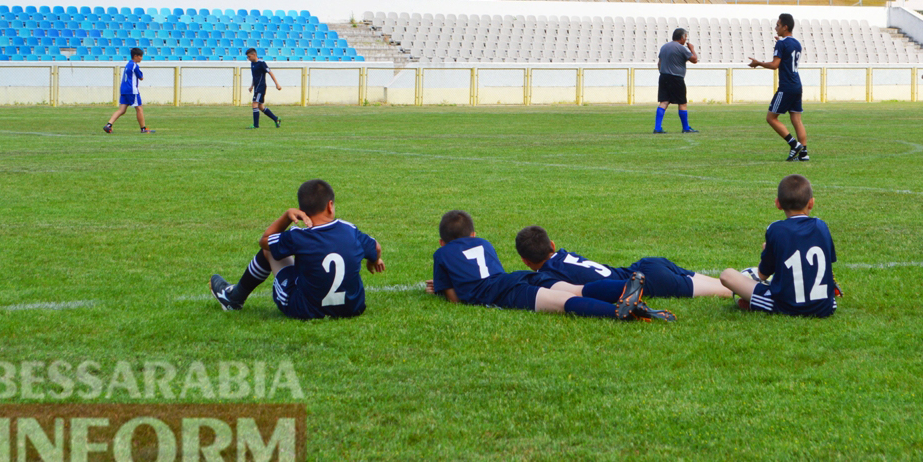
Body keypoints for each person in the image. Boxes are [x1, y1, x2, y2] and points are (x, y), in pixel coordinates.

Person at [426, 210, 674, 322]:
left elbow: (456, 300)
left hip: (503, 292)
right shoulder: (483, 242)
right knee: (573, 290)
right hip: (516, 277)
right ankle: (625, 287)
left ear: (441, 241)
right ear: (473, 234)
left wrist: (442, 286)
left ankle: (620, 313)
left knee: (559, 303)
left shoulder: (441, 254)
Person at [209, 179, 384, 319]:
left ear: (302, 211)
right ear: (330, 205)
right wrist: (374, 260)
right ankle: (234, 297)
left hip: (304, 310)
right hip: (353, 308)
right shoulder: (350, 230)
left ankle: (234, 298)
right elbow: (376, 247)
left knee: (271, 250)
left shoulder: (298, 236)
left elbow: (264, 241)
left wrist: (286, 216)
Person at [719, 174, 837, 318]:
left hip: (786, 305)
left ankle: (753, 302)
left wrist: (769, 253)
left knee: (727, 275)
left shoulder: (775, 229)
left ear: (778, 204)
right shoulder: (821, 225)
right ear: (811, 203)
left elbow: (763, 274)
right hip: (826, 306)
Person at [513, 225, 731, 299]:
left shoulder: (548, 276)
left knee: (726, 292)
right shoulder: (563, 254)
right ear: (552, 244)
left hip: (646, 280)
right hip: (647, 264)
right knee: (723, 283)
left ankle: (757, 293)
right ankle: (750, 280)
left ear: (525, 260)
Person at [749, 13, 806, 161]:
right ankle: (804, 154)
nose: (775, 28)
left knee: (771, 118)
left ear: (785, 27)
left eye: (778, 25)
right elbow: (788, 55)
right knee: (797, 120)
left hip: (786, 86)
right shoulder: (797, 43)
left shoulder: (781, 43)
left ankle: (794, 144)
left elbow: (775, 65)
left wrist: (758, 63)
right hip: (797, 85)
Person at [654, 28, 699, 133]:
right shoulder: (681, 48)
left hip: (663, 77)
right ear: (682, 37)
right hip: (676, 78)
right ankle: (686, 128)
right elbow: (695, 60)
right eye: (685, 37)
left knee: (664, 102)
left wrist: (662, 73)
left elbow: (659, 63)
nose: (686, 40)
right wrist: (692, 49)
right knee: (682, 102)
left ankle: (657, 128)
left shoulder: (664, 47)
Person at [103, 47, 152, 134]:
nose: (141, 58)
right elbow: (141, 77)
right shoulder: (134, 65)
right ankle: (143, 129)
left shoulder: (128, 64)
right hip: (131, 90)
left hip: (124, 89)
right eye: (140, 56)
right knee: (139, 108)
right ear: (135, 56)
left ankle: (108, 125)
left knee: (122, 110)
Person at [246, 48, 282, 129]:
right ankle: (276, 119)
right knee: (261, 106)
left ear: (254, 55)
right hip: (256, 87)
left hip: (261, 87)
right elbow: (254, 76)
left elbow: (270, 73)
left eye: (249, 56)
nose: (248, 59)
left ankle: (256, 125)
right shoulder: (252, 63)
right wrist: (251, 86)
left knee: (254, 103)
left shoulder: (261, 63)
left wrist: (277, 84)